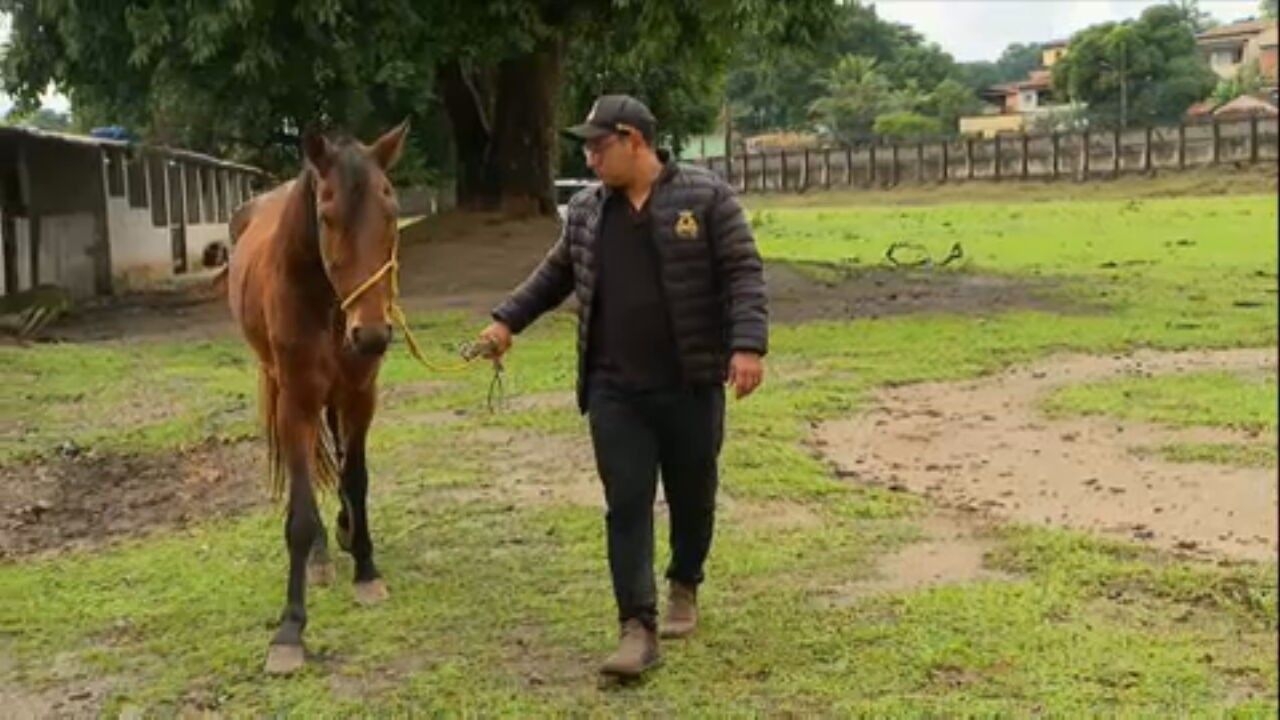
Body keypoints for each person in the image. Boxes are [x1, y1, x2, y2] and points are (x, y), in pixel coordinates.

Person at [476, 94, 768, 679]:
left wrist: (747, 345)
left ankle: (685, 580)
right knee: (627, 502)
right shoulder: (587, 211)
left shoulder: (706, 197)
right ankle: (637, 626)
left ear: (634, 140)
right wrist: (506, 322)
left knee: (693, 494)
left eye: (597, 146)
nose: (589, 159)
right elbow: (555, 274)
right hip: (614, 389)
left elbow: (743, 271)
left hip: (689, 382)